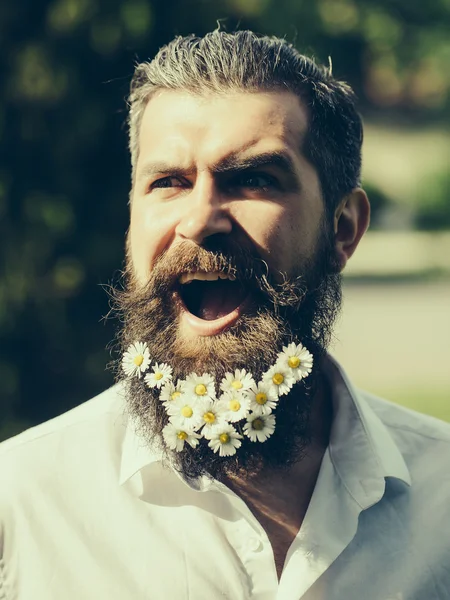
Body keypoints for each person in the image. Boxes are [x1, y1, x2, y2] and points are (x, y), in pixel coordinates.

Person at [1, 30, 449, 600]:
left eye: (254, 179)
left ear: (343, 228)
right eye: (169, 182)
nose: (201, 218)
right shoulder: (20, 509)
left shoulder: (443, 502)